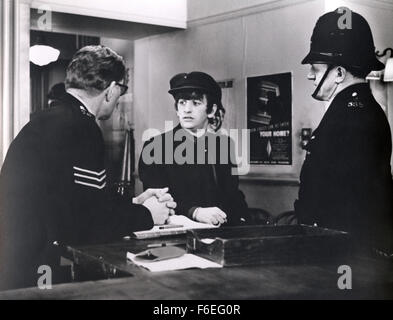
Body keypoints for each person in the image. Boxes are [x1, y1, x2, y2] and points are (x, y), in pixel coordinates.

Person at [0, 45, 176, 290]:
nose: (118, 99)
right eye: (121, 91)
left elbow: (80, 200)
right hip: (41, 273)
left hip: (18, 264)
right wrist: (147, 215)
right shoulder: (82, 128)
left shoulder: (50, 119)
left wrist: (134, 203)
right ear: (111, 90)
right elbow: (89, 222)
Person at [294, 8, 393, 253]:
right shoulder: (363, 111)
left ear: (339, 73)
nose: (310, 76)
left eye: (315, 69)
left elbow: (343, 200)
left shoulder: (349, 117)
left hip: (344, 250)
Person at [138, 71, 250, 226]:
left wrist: (242, 219)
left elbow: (233, 195)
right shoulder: (155, 147)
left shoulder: (223, 146)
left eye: (196, 103)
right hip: (177, 239)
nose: (187, 109)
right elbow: (158, 202)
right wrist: (195, 212)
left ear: (211, 110)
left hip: (222, 235)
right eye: (182, 103)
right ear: (176, 109)